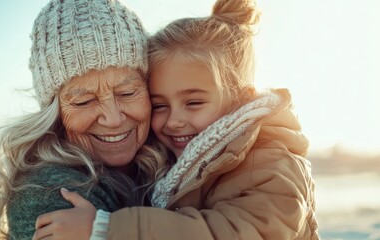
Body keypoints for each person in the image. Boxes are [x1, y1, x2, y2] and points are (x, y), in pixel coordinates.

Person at [32, 0, 320, 239]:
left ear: (241, 99)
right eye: (159, 105)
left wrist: (106, 229)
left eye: (193, 103)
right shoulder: (181, 161)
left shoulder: (271, 162)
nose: (174, 121)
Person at [0, 0, 167, 239]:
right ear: (54, 112)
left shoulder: (175, 160)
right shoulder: (48, 193)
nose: (113, 119)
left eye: (127, 93)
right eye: (84, 101)